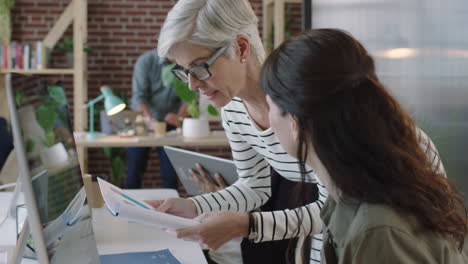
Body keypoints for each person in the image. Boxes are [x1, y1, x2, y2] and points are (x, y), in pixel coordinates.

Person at [260, 29, 468, 263]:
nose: (268, 120)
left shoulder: (379, 230)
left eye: (270, 106)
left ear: (295, 122)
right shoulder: (355, 198)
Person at [150, 0, 326, 263]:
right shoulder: (233, 110)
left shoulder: (304, 101)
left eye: (199, 68)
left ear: (240, 47)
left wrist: (247, 225)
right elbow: (255, 186)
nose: (193, 84)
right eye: (184, 71)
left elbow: (338, 207)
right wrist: (192, 206)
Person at [126, 49, 188, 189]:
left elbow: (188, 98)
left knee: (171, 172)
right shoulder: (146, 61)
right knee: (134, 170)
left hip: (171, 124)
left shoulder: (186, 61)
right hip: (143, 122)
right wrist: (151, 120)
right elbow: (139, 98)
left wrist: (179, 117)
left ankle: (171, 210)